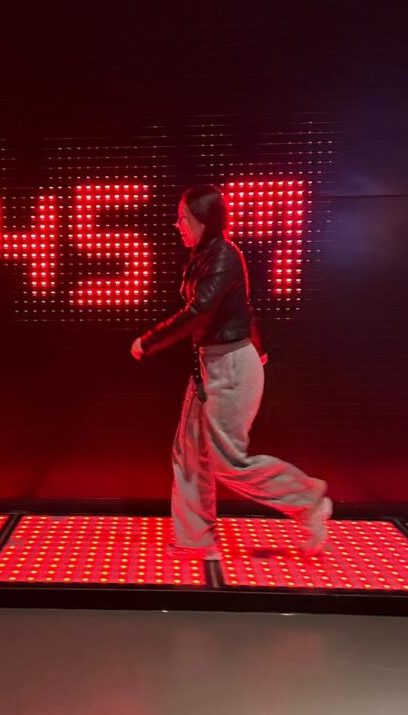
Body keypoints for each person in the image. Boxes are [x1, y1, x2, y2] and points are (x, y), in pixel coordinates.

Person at [130, 184, 332, 561]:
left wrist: (149, 341)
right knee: (190, 454)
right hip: (210, 365)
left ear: (204, 221)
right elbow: (237, 307)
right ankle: (196, 541)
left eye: (183, 218)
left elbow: (199, 311)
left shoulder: (223, 256)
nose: (177, 225)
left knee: (229, 463)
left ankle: (309, 500)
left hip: (230, 367)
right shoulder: (205, 255)